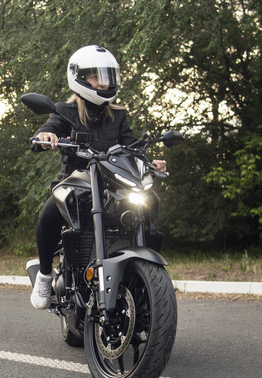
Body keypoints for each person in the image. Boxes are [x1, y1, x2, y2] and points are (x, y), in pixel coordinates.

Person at [30, 45, 166, 309]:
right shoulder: (64, 112)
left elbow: (132, 146)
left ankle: (142, 277)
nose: (103, 82)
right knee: (48, 214)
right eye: (96, 76)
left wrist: (150, 161)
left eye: (107, 76)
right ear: (79, 77)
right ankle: (45, 275)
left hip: (113, 184)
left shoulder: (118, 115)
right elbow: (48, 129)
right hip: (77, 183)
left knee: (151, 200)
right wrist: (45, 137)